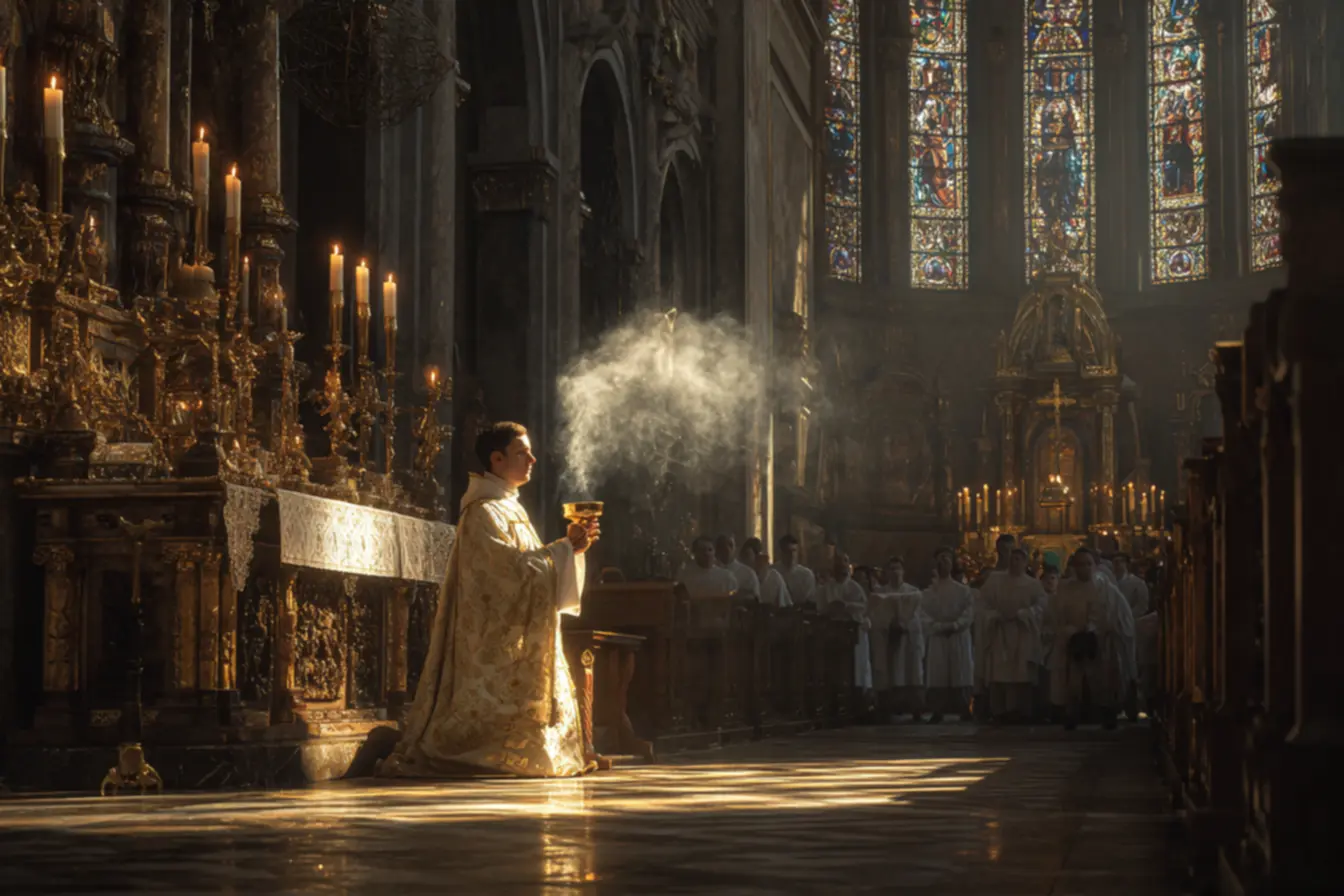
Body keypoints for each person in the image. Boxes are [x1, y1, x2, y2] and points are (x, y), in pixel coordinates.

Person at [379, 422, 599, 778]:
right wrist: (563, 549)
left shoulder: (509, 508)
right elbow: (505, 578)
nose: (532, 458)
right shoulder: (482, 512)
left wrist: (569, 551)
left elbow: (527, 565)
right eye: (521, 452)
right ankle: (478, 748)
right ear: (496, 460)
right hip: (488, 639)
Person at [1047, 548, 1135, 730]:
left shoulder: (1106, 589)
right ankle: (1072, 714)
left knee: (1103, 679)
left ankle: (1107, 713)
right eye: (1080, 564)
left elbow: (1119, 615)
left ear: (1095, 566)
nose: (1084, 568)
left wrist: (1095, 630)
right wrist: (1070, 631)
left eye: (1088, 564)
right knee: (1073, 680)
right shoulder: (1065, 590)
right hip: (1073, 641)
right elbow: (1056, 616)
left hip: (1101, 643)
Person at [978, 548, 1046, 722]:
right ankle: (999, 711)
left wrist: (1024, 614)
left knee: (1022, 673)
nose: (1014, 562)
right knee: (1000, 672)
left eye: (1018, 559)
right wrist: (994, 616)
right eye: (1012, 559)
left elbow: (1041, 607)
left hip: (1022, 632)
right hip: (1000, 631)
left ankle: (1021, 711)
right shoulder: (995, 581)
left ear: (1025, 562)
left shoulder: (1033, 585)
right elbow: (982, 604)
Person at [921, 547, 975, 722]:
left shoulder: (963, 590)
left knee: (960, 671)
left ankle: (964, 707)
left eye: (947, 559)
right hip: (938, 636)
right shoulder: (928, 593)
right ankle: (938, 709)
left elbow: (968, 612)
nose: (943, 563)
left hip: (957, 635)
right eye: (940, 559)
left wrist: (955, 625)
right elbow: (922, 614)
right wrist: (937, 626)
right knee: (938, 673)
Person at [870, 556, 925, 719]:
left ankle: (915, 708)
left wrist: (904, 624)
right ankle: (888, 708)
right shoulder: (880, 593)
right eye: (891, 568)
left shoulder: (913, 593)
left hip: (907, 638)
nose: (894, 572)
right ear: (886, 572)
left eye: (897, 568)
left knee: (910, 671)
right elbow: (876, 616)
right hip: (888, 639)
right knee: (888, 672)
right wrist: (889, 624)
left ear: (903, 571)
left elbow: (919, 616)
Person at [819, 552, 873, 691]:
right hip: (832, 633)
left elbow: (864, 607)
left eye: (844, 563)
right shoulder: (826, 588)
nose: (841, 567)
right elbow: (821, 608)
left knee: (854, 669)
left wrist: (847, 606)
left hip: (852, 632)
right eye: (838, 564)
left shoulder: (855, 588)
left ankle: (858, 691)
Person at [1037, 563, 1061, 720]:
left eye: (1053, 578)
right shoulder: (1039, 600)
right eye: (1047, 579)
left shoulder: (1061, 599)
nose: (1050, 582)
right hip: (1043, 642)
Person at [741, 537, 792, 607]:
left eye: (747, 555)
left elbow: (784, 605)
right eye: (743, 556)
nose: (744, 560)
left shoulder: (774, 577)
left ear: (758, 556)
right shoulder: (742, 577)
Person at [776, 534, 817, 606]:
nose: (792, 555)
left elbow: (810, 600)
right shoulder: (773, 572)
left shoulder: (806, 575)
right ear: (781, 552)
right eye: (788, 551)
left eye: (794, 551)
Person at [1112, 553, 1150, 618]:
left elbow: (1142, 606)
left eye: (1120, 562)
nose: (1117, 566)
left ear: (1126, 564)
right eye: (1115, 563)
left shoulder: (1138, 583)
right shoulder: (1109, 582)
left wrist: (1127, 615)